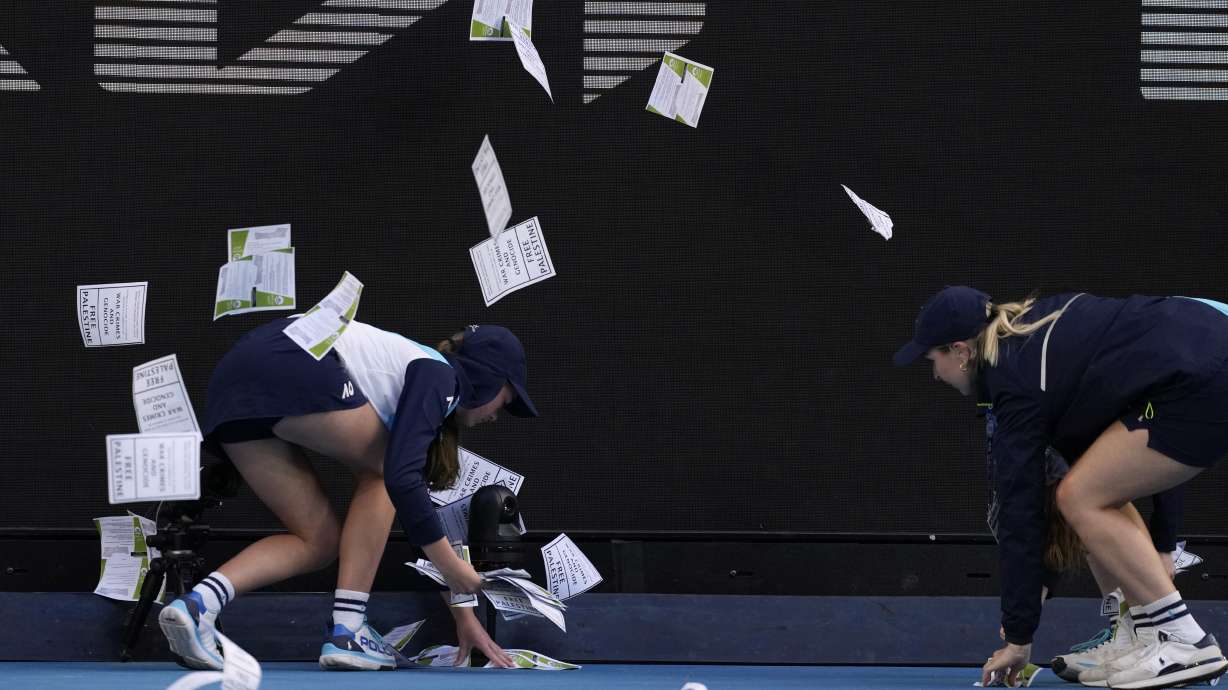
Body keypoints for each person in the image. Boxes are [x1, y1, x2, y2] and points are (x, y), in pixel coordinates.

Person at [896, 286, 1228, 689]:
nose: (934, 374)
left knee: (1079, 496)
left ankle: (1182, 639)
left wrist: (1019, 637)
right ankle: (1142, 634)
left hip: (1209, 368)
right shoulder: (1039, 345)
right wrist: (1161, 543)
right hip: (1204, 349)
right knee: (1092, 486)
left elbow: (1023, 516)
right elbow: (1148, 447)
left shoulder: (1016, 384)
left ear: (961, 351)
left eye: (933, 360)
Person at [158, 319, 537, 671]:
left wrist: (464, 618)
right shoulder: (439, 373)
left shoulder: (416, 379)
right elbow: (401, 481)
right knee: (385, 472)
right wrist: (453, 569)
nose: (496, 415)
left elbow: (417, 511)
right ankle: (348, 629)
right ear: (489, 377)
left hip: (233, 378)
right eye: (505, 400)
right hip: (291, 358)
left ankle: (197, 606)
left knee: (318, 541)